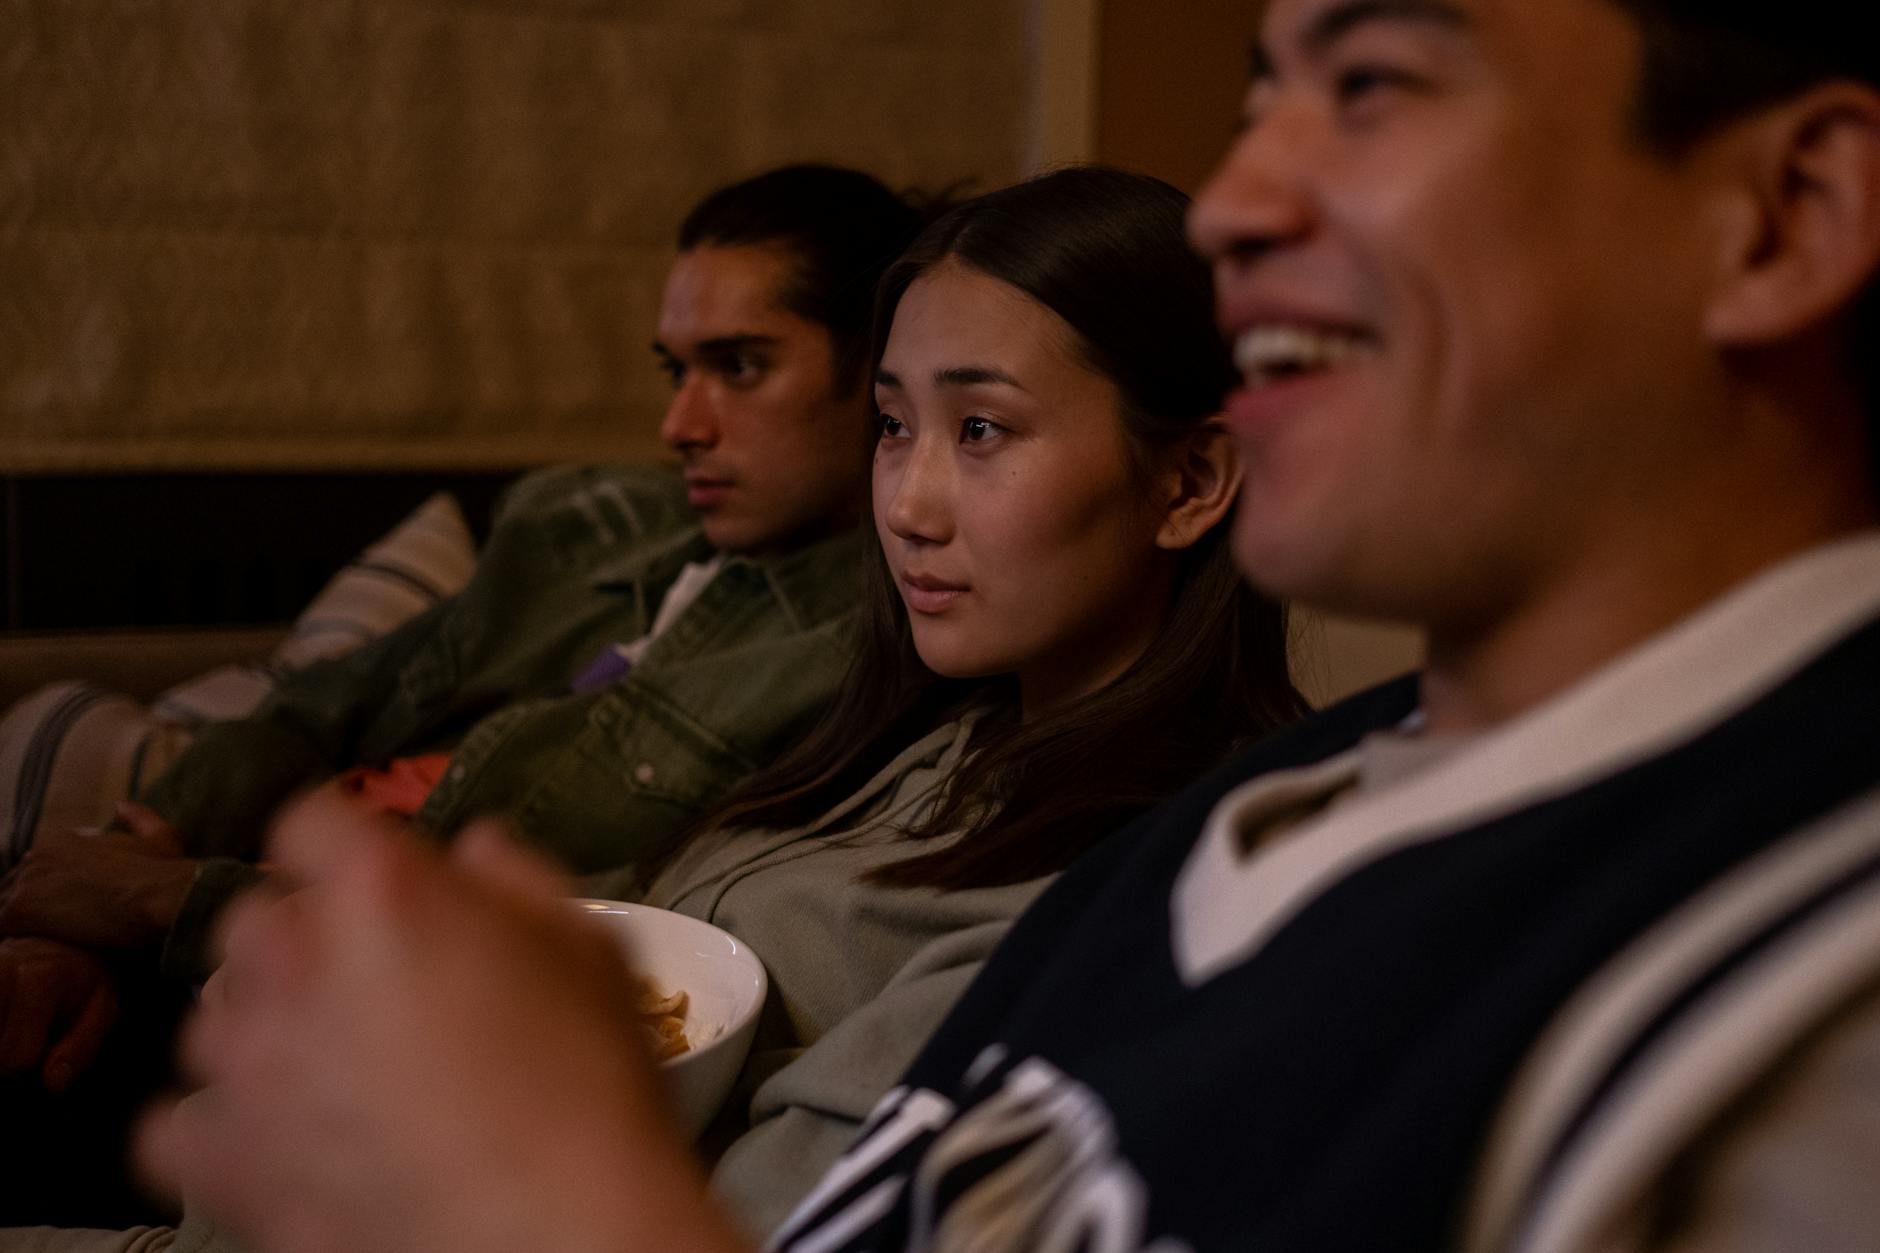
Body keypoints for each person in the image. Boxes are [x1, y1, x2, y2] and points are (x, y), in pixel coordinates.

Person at [124, 0, 1880, 1249]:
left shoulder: (1797, 981)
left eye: (1372, 84)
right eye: (1259, 93)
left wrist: (516, 1184)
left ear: (1782, 217)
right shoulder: (1279, 818)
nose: (1236, 202)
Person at [14, 166, 1304, 1253]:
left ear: (1190, 479)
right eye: (892, 425)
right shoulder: (938, 724)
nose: (905, 504)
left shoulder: (1116, 890)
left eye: (980, 430)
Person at [0, 163, 920, 1226]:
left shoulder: (867, 648)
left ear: (877, 379)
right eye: (676, 370)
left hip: (356, 1022)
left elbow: (625, 916)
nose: (680, 422)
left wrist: (172, 901)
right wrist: (89, 907)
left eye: (740, 367)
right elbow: (319, 704)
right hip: (186, 944)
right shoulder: (594, 526)